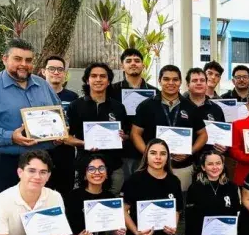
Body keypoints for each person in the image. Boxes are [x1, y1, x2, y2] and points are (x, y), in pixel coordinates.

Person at [0, 39, 62, 198]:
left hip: (43, 160)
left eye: (28, 60)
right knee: (9, 214)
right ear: (4, 59)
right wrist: (10, 136)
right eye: (17, 59)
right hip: (7, 163)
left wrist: (59, 133)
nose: (23, 64)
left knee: (42, 213)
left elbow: (58, 113)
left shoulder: (43, 85)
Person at [131, 65, 208, 193]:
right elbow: (135, 134)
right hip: (152, 168)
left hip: (182, 168)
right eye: (166, 79)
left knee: (181, 204)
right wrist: (150, 155)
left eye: (175, 79)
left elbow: (203, 135)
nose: (171, 83)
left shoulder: (191, 107)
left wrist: (189, 151)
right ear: (159, 81)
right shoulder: (146, 106)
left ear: (181, 82)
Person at [122, 139, 186, 235]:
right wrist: (136, 231)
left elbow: (176, 209)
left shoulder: (173, 180)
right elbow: (123, 210)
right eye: (153, 153)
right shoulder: (135, 180)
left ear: (167, 157)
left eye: (163, 154)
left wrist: (173, 226)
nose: (158, 157)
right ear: (146, 156)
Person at [65, 62, 130, 193]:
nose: (98, 79)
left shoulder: (118, 107)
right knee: (85, 205)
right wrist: (85, 143)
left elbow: (128, 134)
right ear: (87, 80)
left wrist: (123, 136)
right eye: (94, 76)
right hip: (85, 167)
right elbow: (66, 138)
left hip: (114, 167)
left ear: (108, 81)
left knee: (111, 206)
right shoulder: (75, 106)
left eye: (102, 76)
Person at [185, 149, 241, 235]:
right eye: (210, 164)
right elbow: (191, 222)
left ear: (223, 165)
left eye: (218, 163)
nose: (215, 167)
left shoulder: (232, 187)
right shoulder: (195, 188)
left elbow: (234, 216)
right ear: (203, 167)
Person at [110, 48, 157, 180]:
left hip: (145, 149)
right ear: (122, 66)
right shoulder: (112, 91)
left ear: (143, 65)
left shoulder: (155, 92)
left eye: (137, 61)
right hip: (120, 151)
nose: (133, 64)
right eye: (128, 61)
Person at [42, 55, 79, 196]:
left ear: (64, 73)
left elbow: (76, 125)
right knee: (44, 196)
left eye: (60, 69)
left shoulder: (73, 97)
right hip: (42, 153)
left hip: (66, 155)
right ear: (43, 71)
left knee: (67, 196)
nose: (56, 72)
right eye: (51, 69)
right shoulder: (35, 95)